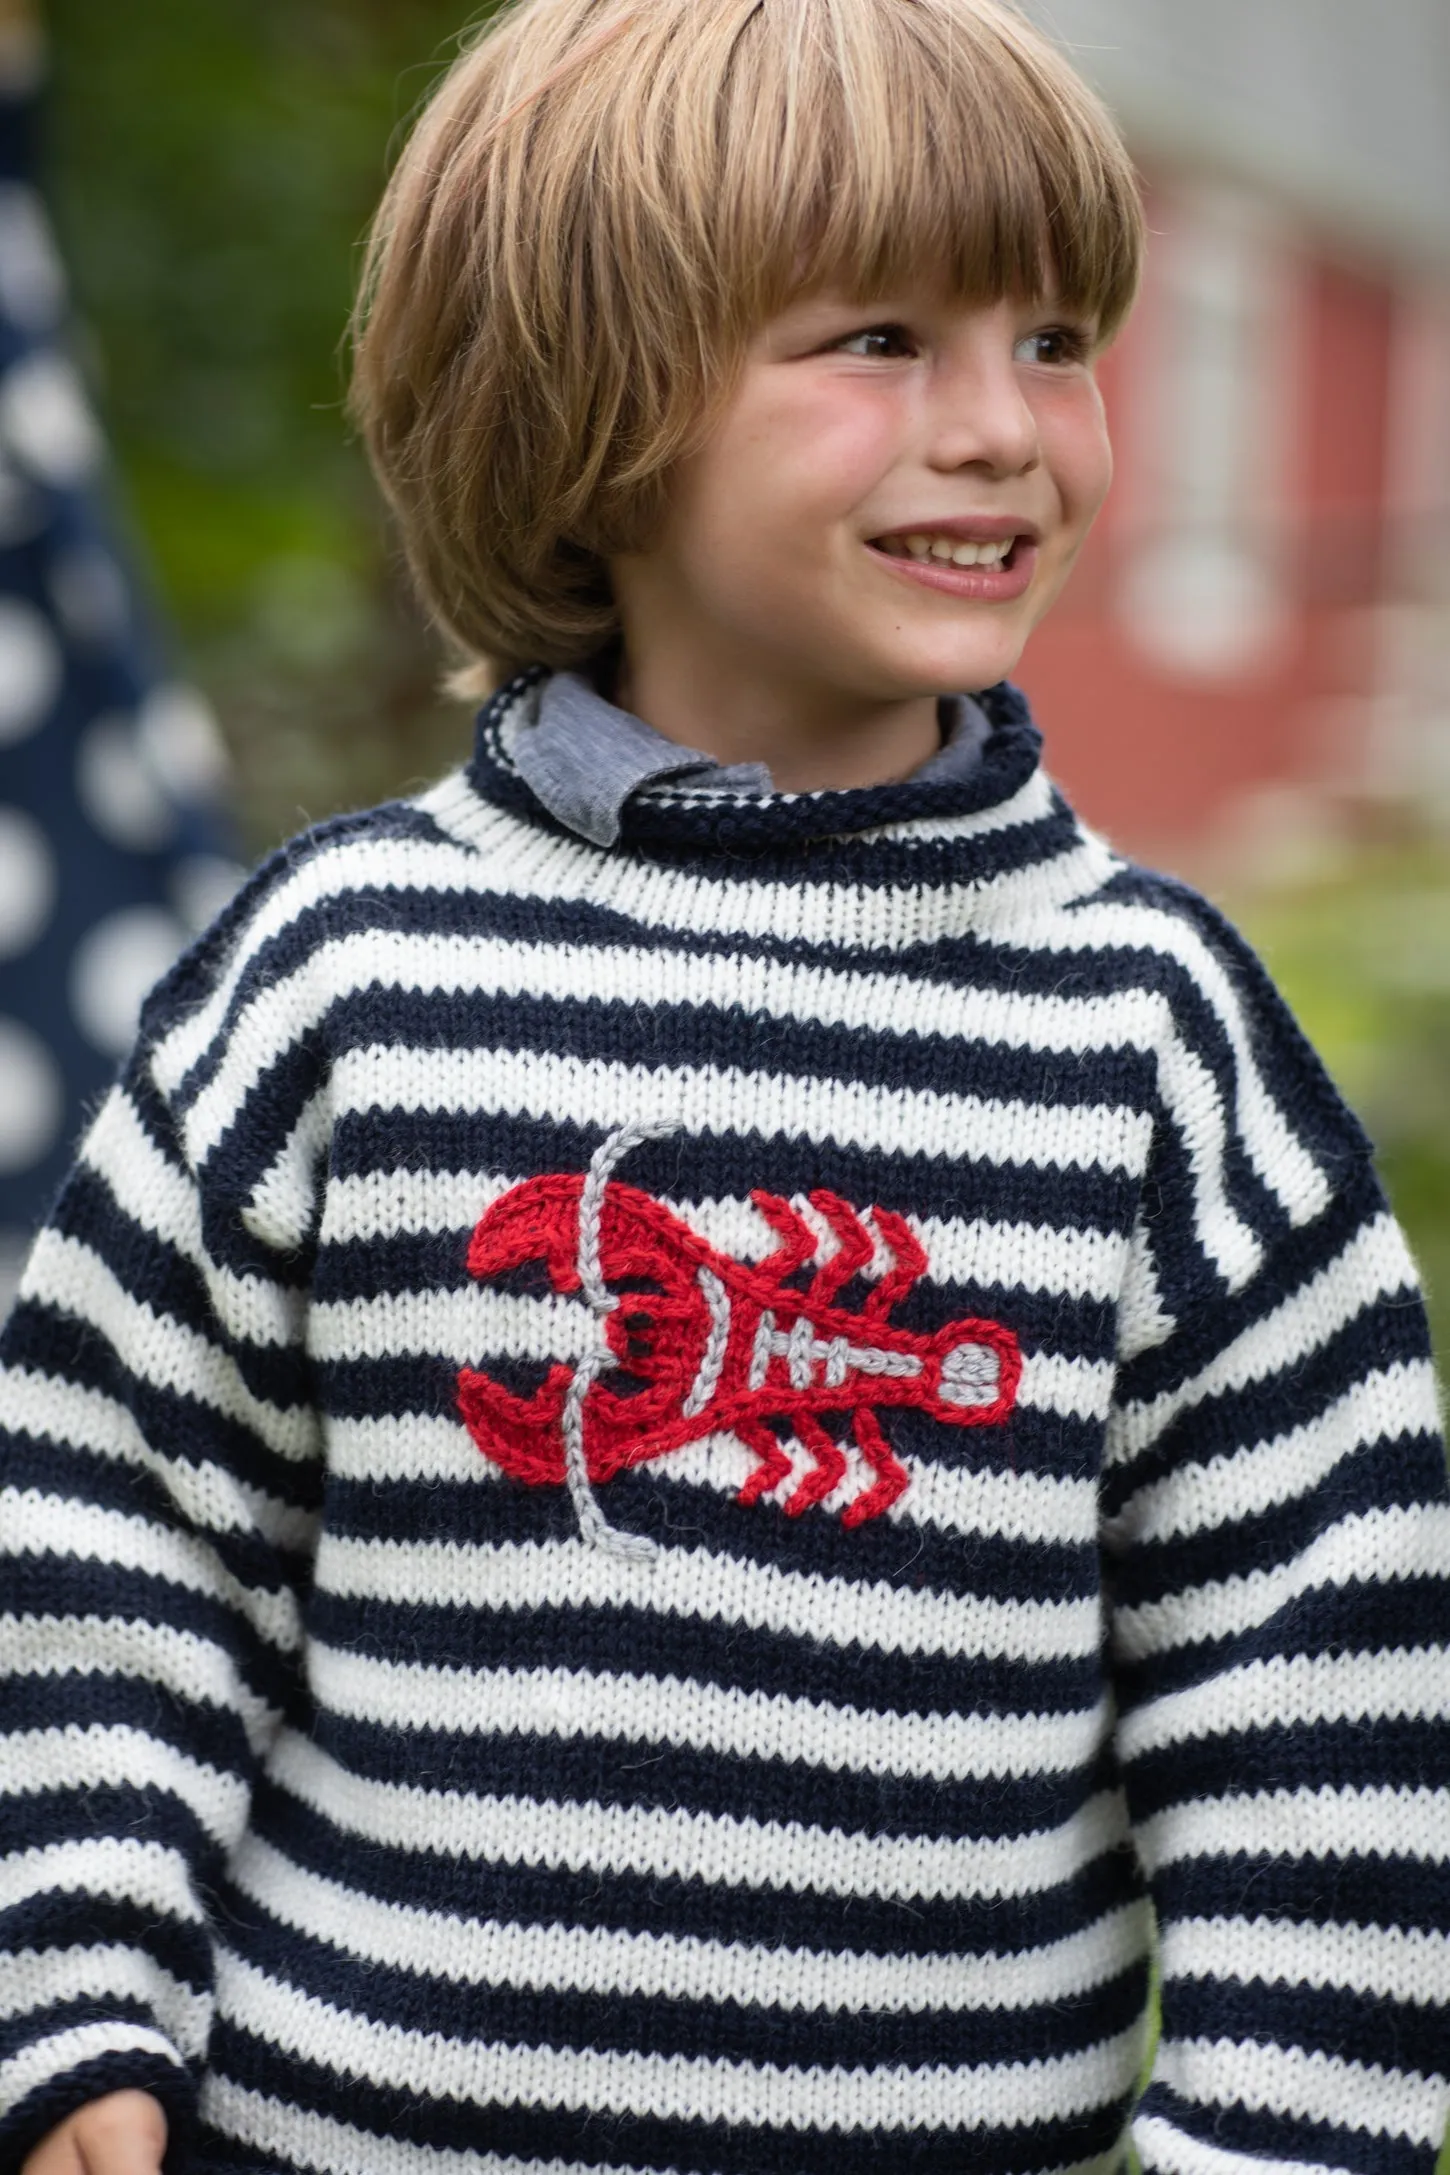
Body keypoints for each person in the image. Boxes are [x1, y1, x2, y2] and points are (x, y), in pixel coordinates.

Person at [2, 1, 1447, 2171]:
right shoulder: (345, 973)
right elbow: (104, 1521)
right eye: (876, 339)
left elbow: (1326, 1690)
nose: (1002, 429)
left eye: (1053, 340)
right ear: (590, 406)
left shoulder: (1147, 1039)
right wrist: (72, 1978)